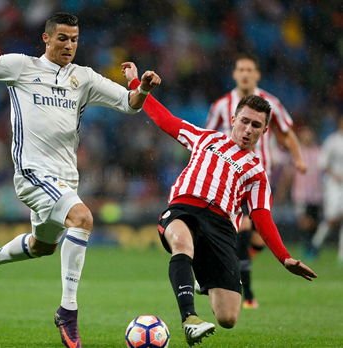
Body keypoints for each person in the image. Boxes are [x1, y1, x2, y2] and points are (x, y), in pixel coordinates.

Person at [0, 12, 160, 348]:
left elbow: (130, 104)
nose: (69, 45)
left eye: (74, 39)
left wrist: (144, 89)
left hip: (65, 178)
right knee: (82, 218)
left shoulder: (84, 78)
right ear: (46, 39)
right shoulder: (20, 66)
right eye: (62, 38)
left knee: (43, 246)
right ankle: (68, 311)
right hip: (32, 173)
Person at [122, 62, 317, 347]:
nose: (248, 129)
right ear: (234, 119)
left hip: (223, 227)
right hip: (185, 208)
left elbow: (262, 216)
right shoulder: (205, 138)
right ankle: (189, 319)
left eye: (256, 126)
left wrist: (284, 257)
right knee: (181, 242)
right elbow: (165, 120)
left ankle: (205, 276)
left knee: (228, 318)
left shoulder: (257, 173)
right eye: (245, 121)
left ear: (264, 133)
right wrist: (137, 84)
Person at [205, 53, 307, 309]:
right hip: (232, 177)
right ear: (235, 74)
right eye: (241, 69)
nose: (245, 74)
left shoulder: (271, 103)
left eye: (250, 69)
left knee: (258, 239)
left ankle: (223, 270)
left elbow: (286, 133)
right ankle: (246, 293)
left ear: (257, 74)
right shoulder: (222, 105)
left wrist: (298, 158)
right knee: (243, 230)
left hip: (260, 178)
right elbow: (207, 136)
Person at [308, 115, 343, 264]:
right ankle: (315, 244)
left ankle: (341, 255)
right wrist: (335, 176)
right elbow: (322, 163)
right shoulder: (333, 140)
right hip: (334, 185)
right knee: (332, 218)